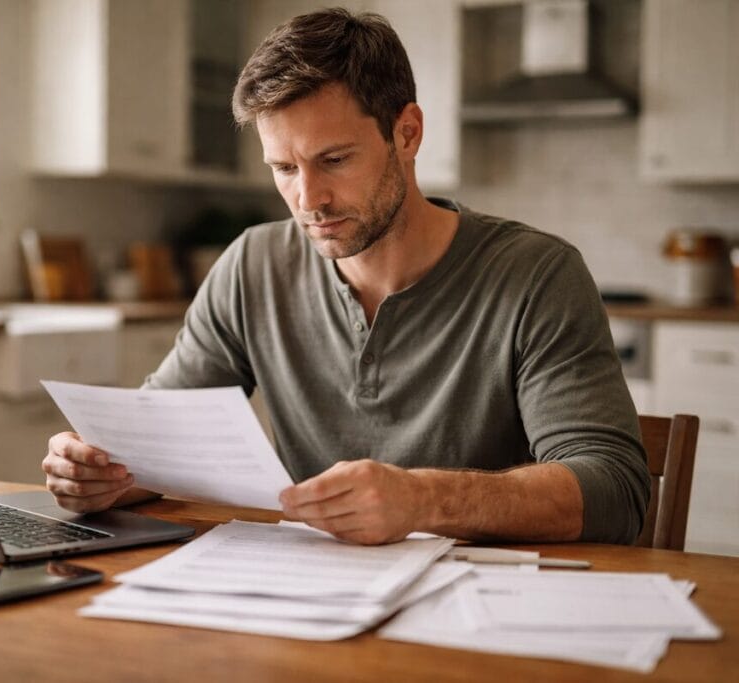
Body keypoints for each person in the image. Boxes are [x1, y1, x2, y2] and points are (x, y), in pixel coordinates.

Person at [42, 7, 649, 546]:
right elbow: (158, 451)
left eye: (334, 160)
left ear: (406, 133)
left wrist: (425, 500)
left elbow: (615, 491)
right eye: (283, 167)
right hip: (310, 606)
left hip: (480, 612)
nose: (309, 198)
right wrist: (103, 477)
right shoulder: (252, 267)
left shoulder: (537, 275)